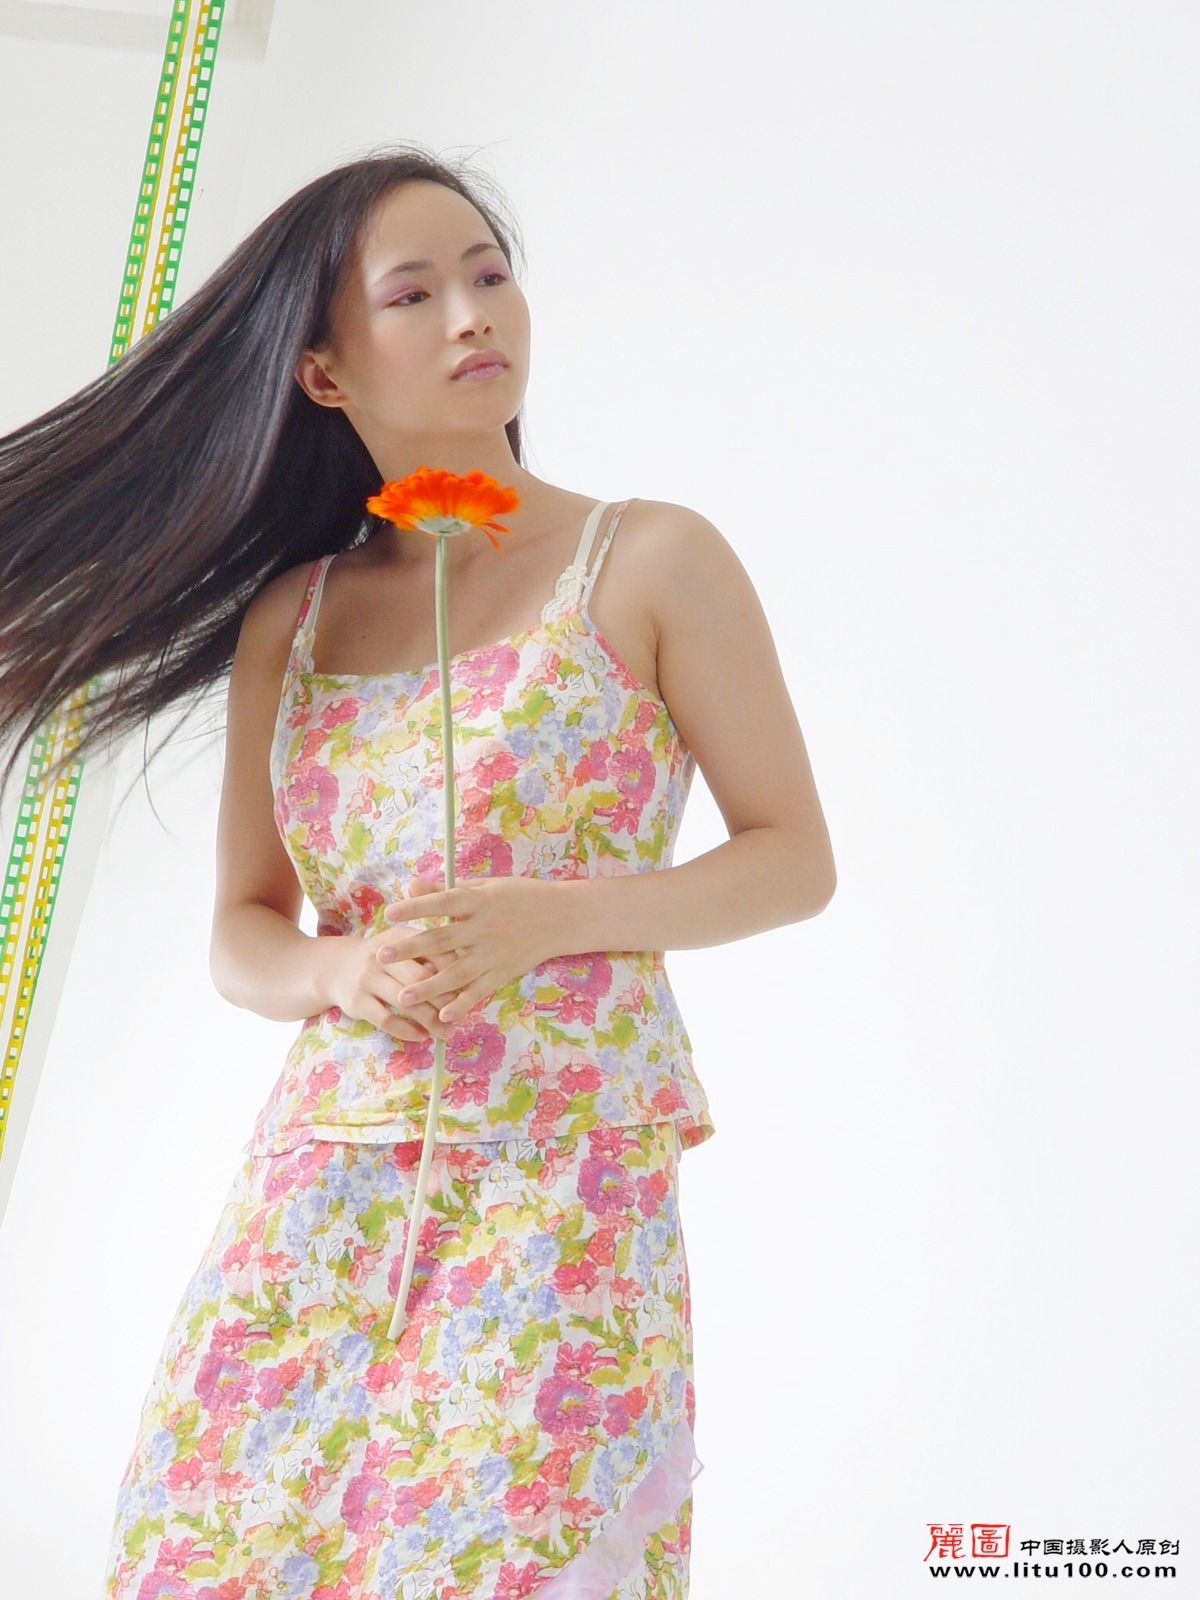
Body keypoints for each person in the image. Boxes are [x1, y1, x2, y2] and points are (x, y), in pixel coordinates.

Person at [1, 144, 836, 1598]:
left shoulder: (650, 561)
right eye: (415, 293)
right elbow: (245, 932)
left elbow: (792, 861)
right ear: (323, 372)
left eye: (490, 275)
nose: (472, 316)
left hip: (562, 1172)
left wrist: (551, 921)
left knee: (507, 1560)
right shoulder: (296, 617)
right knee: (219, 1551)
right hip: (322, 1179)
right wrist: (340, 969)